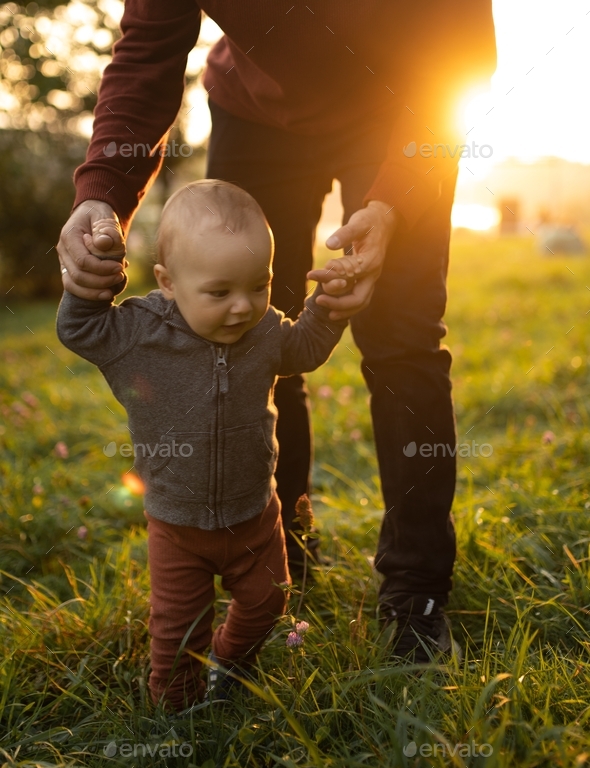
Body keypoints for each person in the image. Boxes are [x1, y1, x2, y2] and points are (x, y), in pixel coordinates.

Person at [57, 2, 497, 661]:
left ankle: (417, 591)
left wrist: (394, 200)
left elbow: (459, 55)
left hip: (405, 108)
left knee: (404, 342)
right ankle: (281, 545)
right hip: (258, 115)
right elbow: (148, 49)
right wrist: (102, 194)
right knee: (245, 332)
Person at [56, 180, 351, 712]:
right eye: (219, 292)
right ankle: (177, 717)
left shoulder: (262, 331)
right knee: (176, 634)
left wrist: (327, 307)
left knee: (270, 601)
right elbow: (79, 329)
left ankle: (230, 660)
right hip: (178, 524)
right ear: (168, 282)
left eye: (258, 285)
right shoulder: (137, 336)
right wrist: (92, 277)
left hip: (255, 515)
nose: (243, 307)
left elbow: (304, 346)